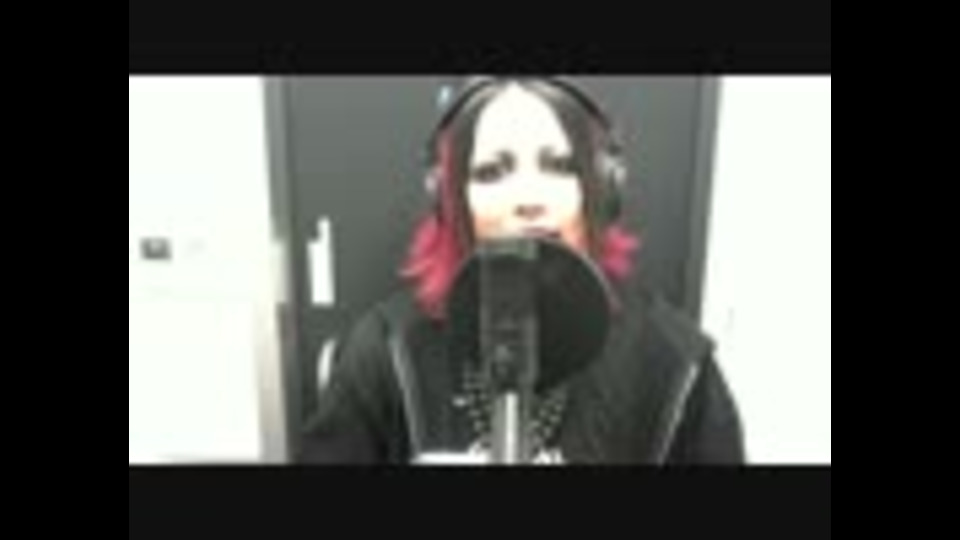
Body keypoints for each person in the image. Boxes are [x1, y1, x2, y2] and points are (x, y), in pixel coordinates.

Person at [298, 77, 744, 464]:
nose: (529, 198)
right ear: (452, 200)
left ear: (600, 189)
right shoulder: (387, 351)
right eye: (493, 171)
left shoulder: (674, 363)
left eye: (560, 166)